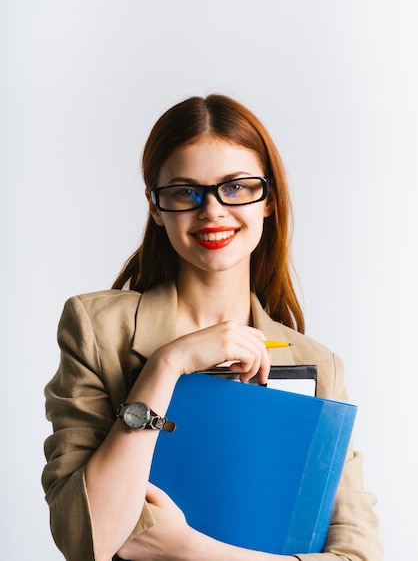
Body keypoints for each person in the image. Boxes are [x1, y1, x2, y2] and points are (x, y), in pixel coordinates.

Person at [42, 94, 382, 561]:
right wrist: (168, 362)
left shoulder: (318, 366)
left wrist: (190, 550)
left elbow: (358, 554)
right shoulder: (98, 329)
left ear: (269, 200)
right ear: (156, 207)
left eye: (237, 187)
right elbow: (90, 539)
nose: (213, 211)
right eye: (185, 191)